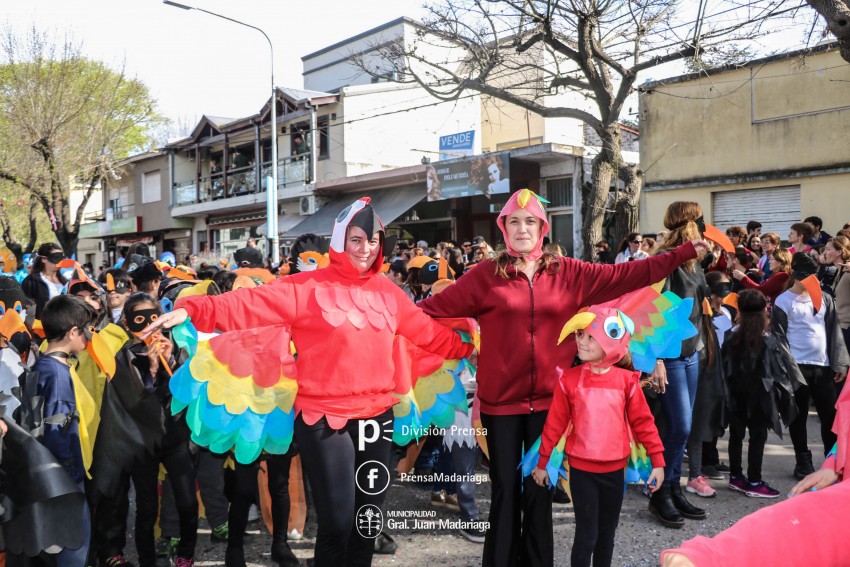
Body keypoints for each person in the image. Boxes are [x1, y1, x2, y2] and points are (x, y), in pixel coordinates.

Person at [141, 197, 473, 567]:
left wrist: (469, 345)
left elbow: (428, 334)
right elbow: (245, 305)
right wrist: (192, 309)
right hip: (324, 420)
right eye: (357, 240)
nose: (366, 250)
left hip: (377, 419)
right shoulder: (305, 287)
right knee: (337, 521)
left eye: (373, 241)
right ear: (339, 241)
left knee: (366, 522)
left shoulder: (389, 294)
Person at [417, 190, 708, 567]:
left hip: (553, 404)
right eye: (514, 222)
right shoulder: (484, 276)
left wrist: (681, 253)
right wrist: (462, 344)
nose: (522, 229)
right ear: (503, 228)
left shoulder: (570, 272)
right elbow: (427, 312)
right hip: (499, 405)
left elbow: (629, 274)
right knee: (506, 492)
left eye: (530, 222)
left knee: (539, 490)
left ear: (542, 227)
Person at [531, 303, 665, 567]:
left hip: (615, 472)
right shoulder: (568, 380)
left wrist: (658, 462)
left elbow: (644, 423)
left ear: (612, 342)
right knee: (586, 536)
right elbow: (555, 424)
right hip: (582, 473)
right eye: (580, 334)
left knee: (606, 535)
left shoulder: (627, 382)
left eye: (591, 336)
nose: (581, 341)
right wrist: (542, 462)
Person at [647, 202, 712, 529]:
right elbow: (650, 312)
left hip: (691, 353)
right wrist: (655, 358)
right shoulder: (665, 260)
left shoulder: (692, 262)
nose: (703, 225)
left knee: (680, 427)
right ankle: (660, 492)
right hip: (669, 356)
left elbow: (700, 304)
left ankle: (671, 487)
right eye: (699, 219)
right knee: (679, 426)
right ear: (689, 223)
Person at [773, 251, 849, 478]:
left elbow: (833, 331)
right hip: (796, 367)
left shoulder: (825, 298)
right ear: (793, 274)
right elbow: (779, 338)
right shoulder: (783, 300)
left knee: (829, 417)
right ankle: (802, 461)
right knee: (799, 417)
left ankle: (831, 461)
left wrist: (839, 363)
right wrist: (789, 369)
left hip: (823, 366)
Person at [35, 295, 97, 567]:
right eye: (87, 330)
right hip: (64, 479)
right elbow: (58, 430)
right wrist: (71, 476)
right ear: (73, 332)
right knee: (73, 547)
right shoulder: (58, 375)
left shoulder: (43, 364)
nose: (90, 337)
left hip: (51, 476)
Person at [723, 289, 801, 498]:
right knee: (758, 437)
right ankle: (755, 481)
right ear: (765, 310)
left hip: (736, 393)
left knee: (736, 435)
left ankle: (736, 477)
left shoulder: (731, 335)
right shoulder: (768, 338)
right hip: (761, 396)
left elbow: (724, 366)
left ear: (739, 310)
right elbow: (780, 370)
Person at [22, 243, 67, 318]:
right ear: (44, 259)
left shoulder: (64, 281)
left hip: (64, 325)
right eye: (56, 257)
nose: (60, 261)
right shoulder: (31, 282)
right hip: (41, 326)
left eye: (61, 257)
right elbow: (27, 309)